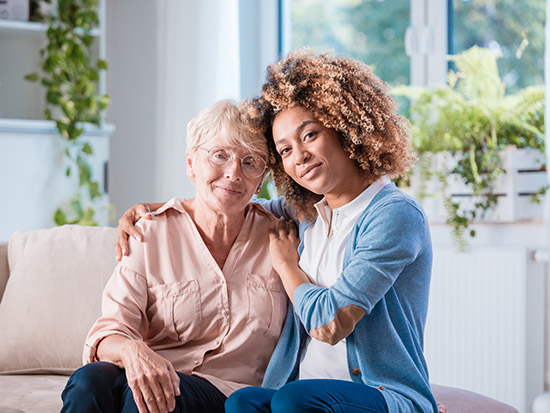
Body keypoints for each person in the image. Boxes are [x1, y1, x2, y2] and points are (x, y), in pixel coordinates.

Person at [117, 49, 439, 412]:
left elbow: (329, 322)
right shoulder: (306, 213)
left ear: (345, 128)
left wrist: (287, 267)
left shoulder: (394, 215)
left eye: (310, 135)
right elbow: (229, 203)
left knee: (291, 400)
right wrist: (153, 209)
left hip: (378, 394)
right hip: (301, 393)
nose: (298, 156)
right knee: (241, 403)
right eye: (285, 150)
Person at [61, 100, 288, 413]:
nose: (234, 173)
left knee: (150, 398)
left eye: (250, 162)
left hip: (231, 394)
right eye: (220, 155)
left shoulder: (282, 235)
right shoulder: (148, 234)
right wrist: (132, 350)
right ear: (191, 163)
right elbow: (109, 330)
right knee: (90, 381)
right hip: (156, 376)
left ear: (261, 178)